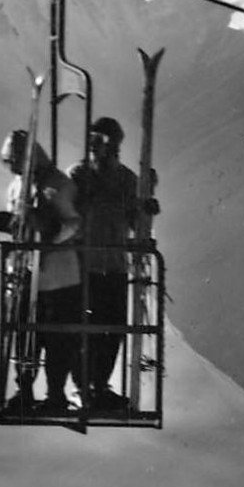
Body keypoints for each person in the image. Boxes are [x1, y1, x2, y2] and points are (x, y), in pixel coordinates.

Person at [0, 128, 83, 413]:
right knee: (24, 336)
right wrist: (12, 224)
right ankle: (24, 390)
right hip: (26, 272)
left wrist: (46, 226)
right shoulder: (17, 187)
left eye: (14, 160)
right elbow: (21, 224)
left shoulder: (58, 185)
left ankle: (55, 395)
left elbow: (73, 224)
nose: (12, 167)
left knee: (57, 340)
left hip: (59, 275)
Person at [67, 116, 159, 410]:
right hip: (84, 266)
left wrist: (146, 206)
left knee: (113, 328)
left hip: (114, 266)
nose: (100, 148)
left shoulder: (127, 180)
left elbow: (136, 224)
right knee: (85, 328)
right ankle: (84, 387)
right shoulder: (78, 176)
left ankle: (98, 385)